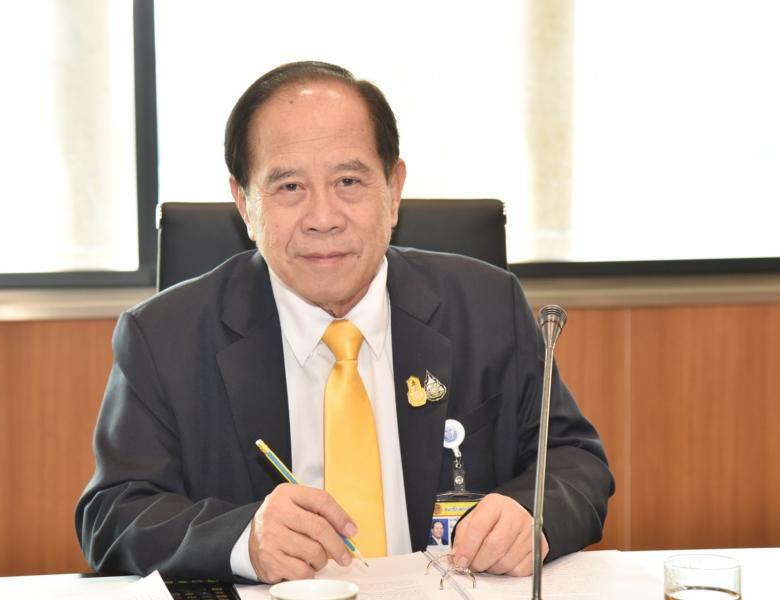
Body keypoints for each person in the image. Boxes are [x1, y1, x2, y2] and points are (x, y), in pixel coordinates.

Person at [75, 61, 614, 584]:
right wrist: (242, 540)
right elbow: (114, 513)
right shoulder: (163, 337)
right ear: (244, 203)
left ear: (394, 190)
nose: (323, 218)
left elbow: (575, 461)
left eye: (349, 180)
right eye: (289, 187)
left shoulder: (488, 307)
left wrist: (529, 516)